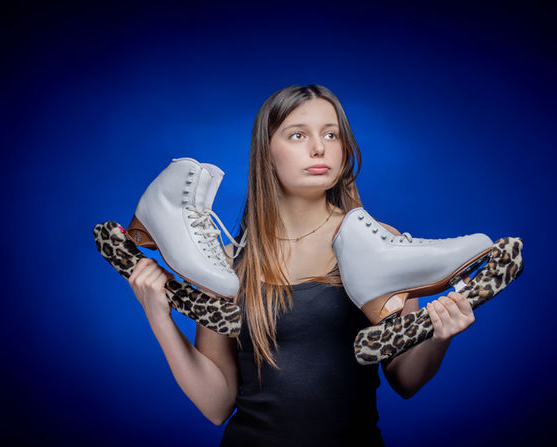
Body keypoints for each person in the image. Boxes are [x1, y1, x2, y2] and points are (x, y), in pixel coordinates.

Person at [127, 84, 476, 446]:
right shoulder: (224, 265)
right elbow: (216, 405)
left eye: (331, 134)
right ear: (266, 152)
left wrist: (439, 335)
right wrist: (159, 318)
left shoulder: (383, 246)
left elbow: (405, 379)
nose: (319, 148)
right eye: (298, 135)